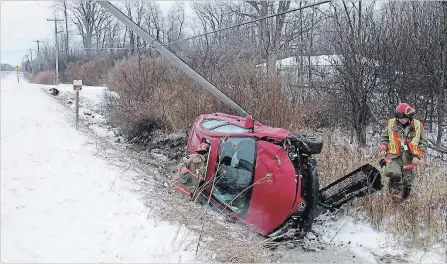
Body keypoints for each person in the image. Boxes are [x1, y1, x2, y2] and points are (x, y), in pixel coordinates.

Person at [379, 103, 428, 203]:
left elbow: (423, 143)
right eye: (399, 117)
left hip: (409, 156)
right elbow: (384, 137)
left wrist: (418, 156)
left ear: (409, 116)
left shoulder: (418, 125)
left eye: (403, 117)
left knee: (407, 179)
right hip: (394, 155)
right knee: (394, 173)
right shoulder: (391, 123)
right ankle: (393, 198)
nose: (401, 119)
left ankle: (403, 200)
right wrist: (383, 148)